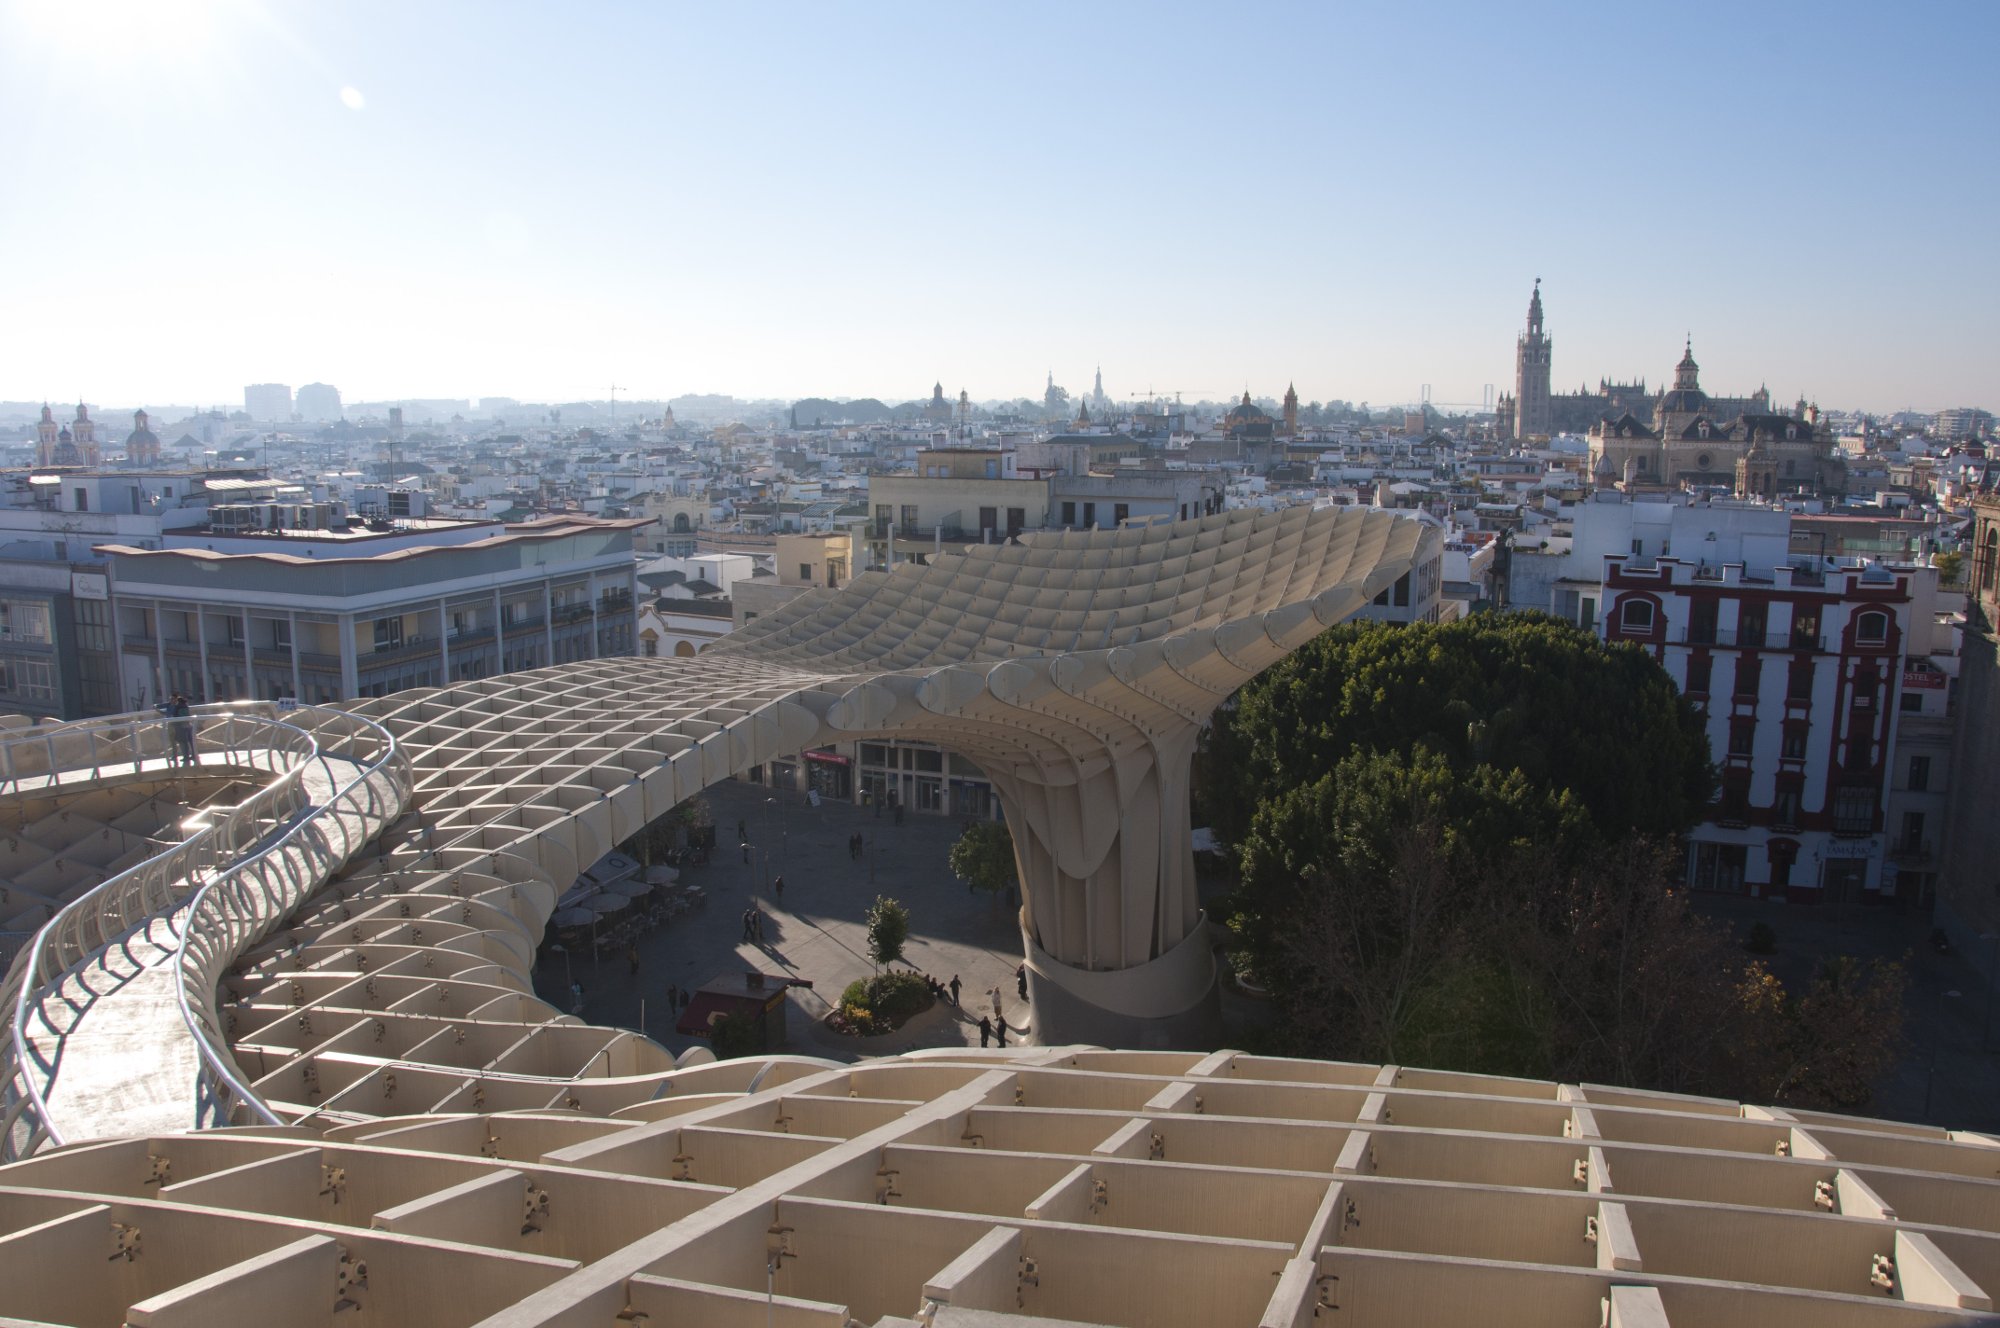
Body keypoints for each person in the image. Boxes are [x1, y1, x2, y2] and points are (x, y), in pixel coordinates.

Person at [167, 693, 195, 767]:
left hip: (180, 726)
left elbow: (173, 715)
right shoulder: (185, 706)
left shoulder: (177, 707)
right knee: (191, 741)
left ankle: (186, 757)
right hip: (188, 725)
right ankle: (194, 755)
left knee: (183, 742)